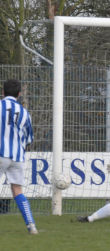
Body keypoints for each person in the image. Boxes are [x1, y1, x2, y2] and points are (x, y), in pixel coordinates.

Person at [0, 79, 37, 234]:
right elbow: (29, 138)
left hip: (1, 153)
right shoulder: (24, 112)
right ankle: (31, 225)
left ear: (3, 92)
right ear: (19, 94)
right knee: (17, 190)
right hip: (17, 156)